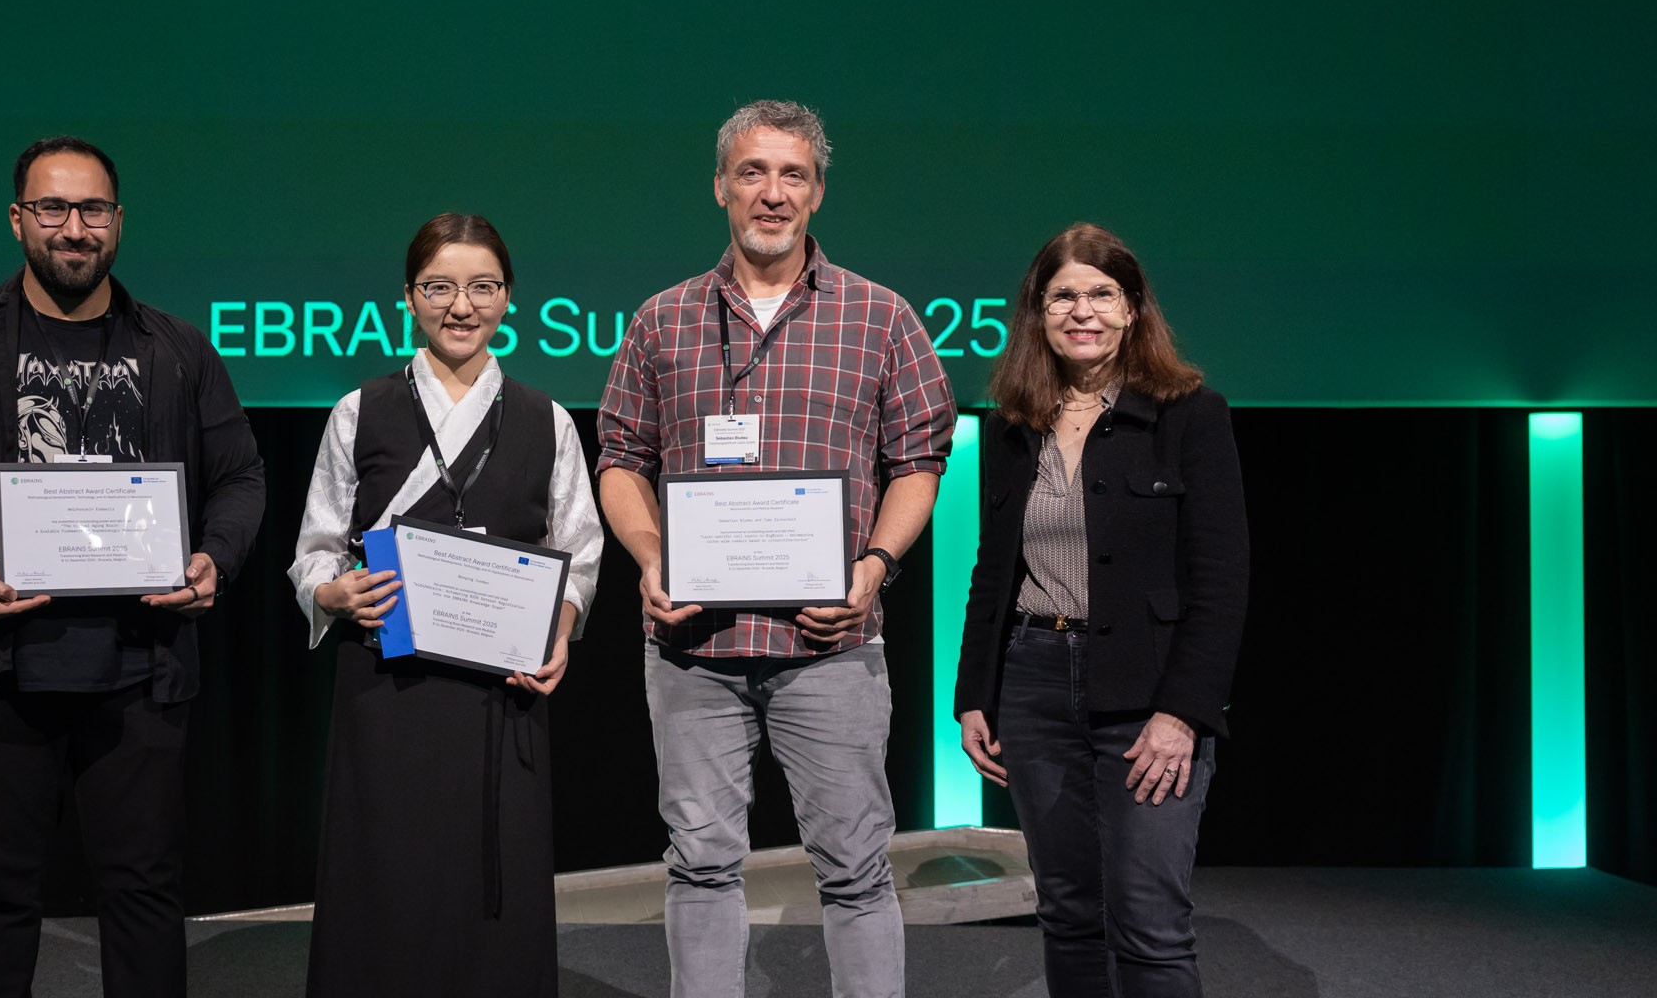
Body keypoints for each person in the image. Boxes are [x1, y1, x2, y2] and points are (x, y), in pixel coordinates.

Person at [0, 136, 265, 998]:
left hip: (141, 665)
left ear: (119, 222)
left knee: (145, 893)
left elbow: (240, 476)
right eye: (53, 208)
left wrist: (215, 559)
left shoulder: (179, 349)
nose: (74, 228)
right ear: (18, 220)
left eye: (92, 210)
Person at [595, 100, 956, 998]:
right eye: (752, 172)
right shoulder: (662, 319)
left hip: (830, 646)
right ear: (720, 186)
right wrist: (650, 557)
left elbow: (918, 462)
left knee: (856, 867)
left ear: (818, 192)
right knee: (700, 865)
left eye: (793, 175)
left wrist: (874, 568)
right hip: (693, 648)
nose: (772, 193)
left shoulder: (881, 317)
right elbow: (621, 460)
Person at [290, 213, 604, 998]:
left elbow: (580, 551)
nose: (461, 306)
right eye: (439, 288)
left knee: (492, 892)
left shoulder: (546, 420)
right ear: (408, 298)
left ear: (508, 298)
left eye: (482, 287)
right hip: (385, 690)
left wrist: (560, 630)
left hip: (502, 694)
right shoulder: (359, 411)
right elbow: (316, 547)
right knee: (384, 880)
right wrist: (331, 591)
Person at [955, 222, 1248, 998]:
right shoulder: (1013, 423)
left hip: (1149, 696)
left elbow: (1222, 580)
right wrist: (974, 693)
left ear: (1132, 309)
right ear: (1037, 312)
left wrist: (1182, 713)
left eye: (1101, 294)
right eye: (1062, 296)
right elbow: (994, 568)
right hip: (1033, 687)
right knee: (1067, 912)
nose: (1082, 311)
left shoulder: (1191, 413)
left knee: (1148, 922)